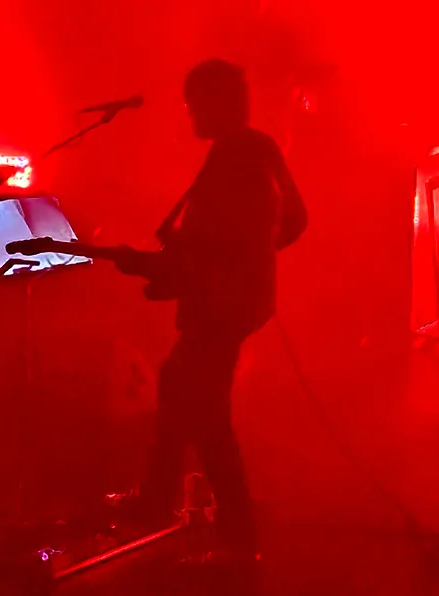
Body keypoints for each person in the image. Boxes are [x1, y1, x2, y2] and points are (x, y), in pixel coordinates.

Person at [114, 59, 307, 558]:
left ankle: (234, 536)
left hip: (220, 307)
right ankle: (160, 500)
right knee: (182, 389)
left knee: (205, 413)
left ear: (216, 103)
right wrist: (256, 261)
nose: (190, 113)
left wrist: (163, 266)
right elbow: (295, 220)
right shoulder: (257, 148)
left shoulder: (233, 158)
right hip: (235, 302)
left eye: (194, 103)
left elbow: (211, 244)